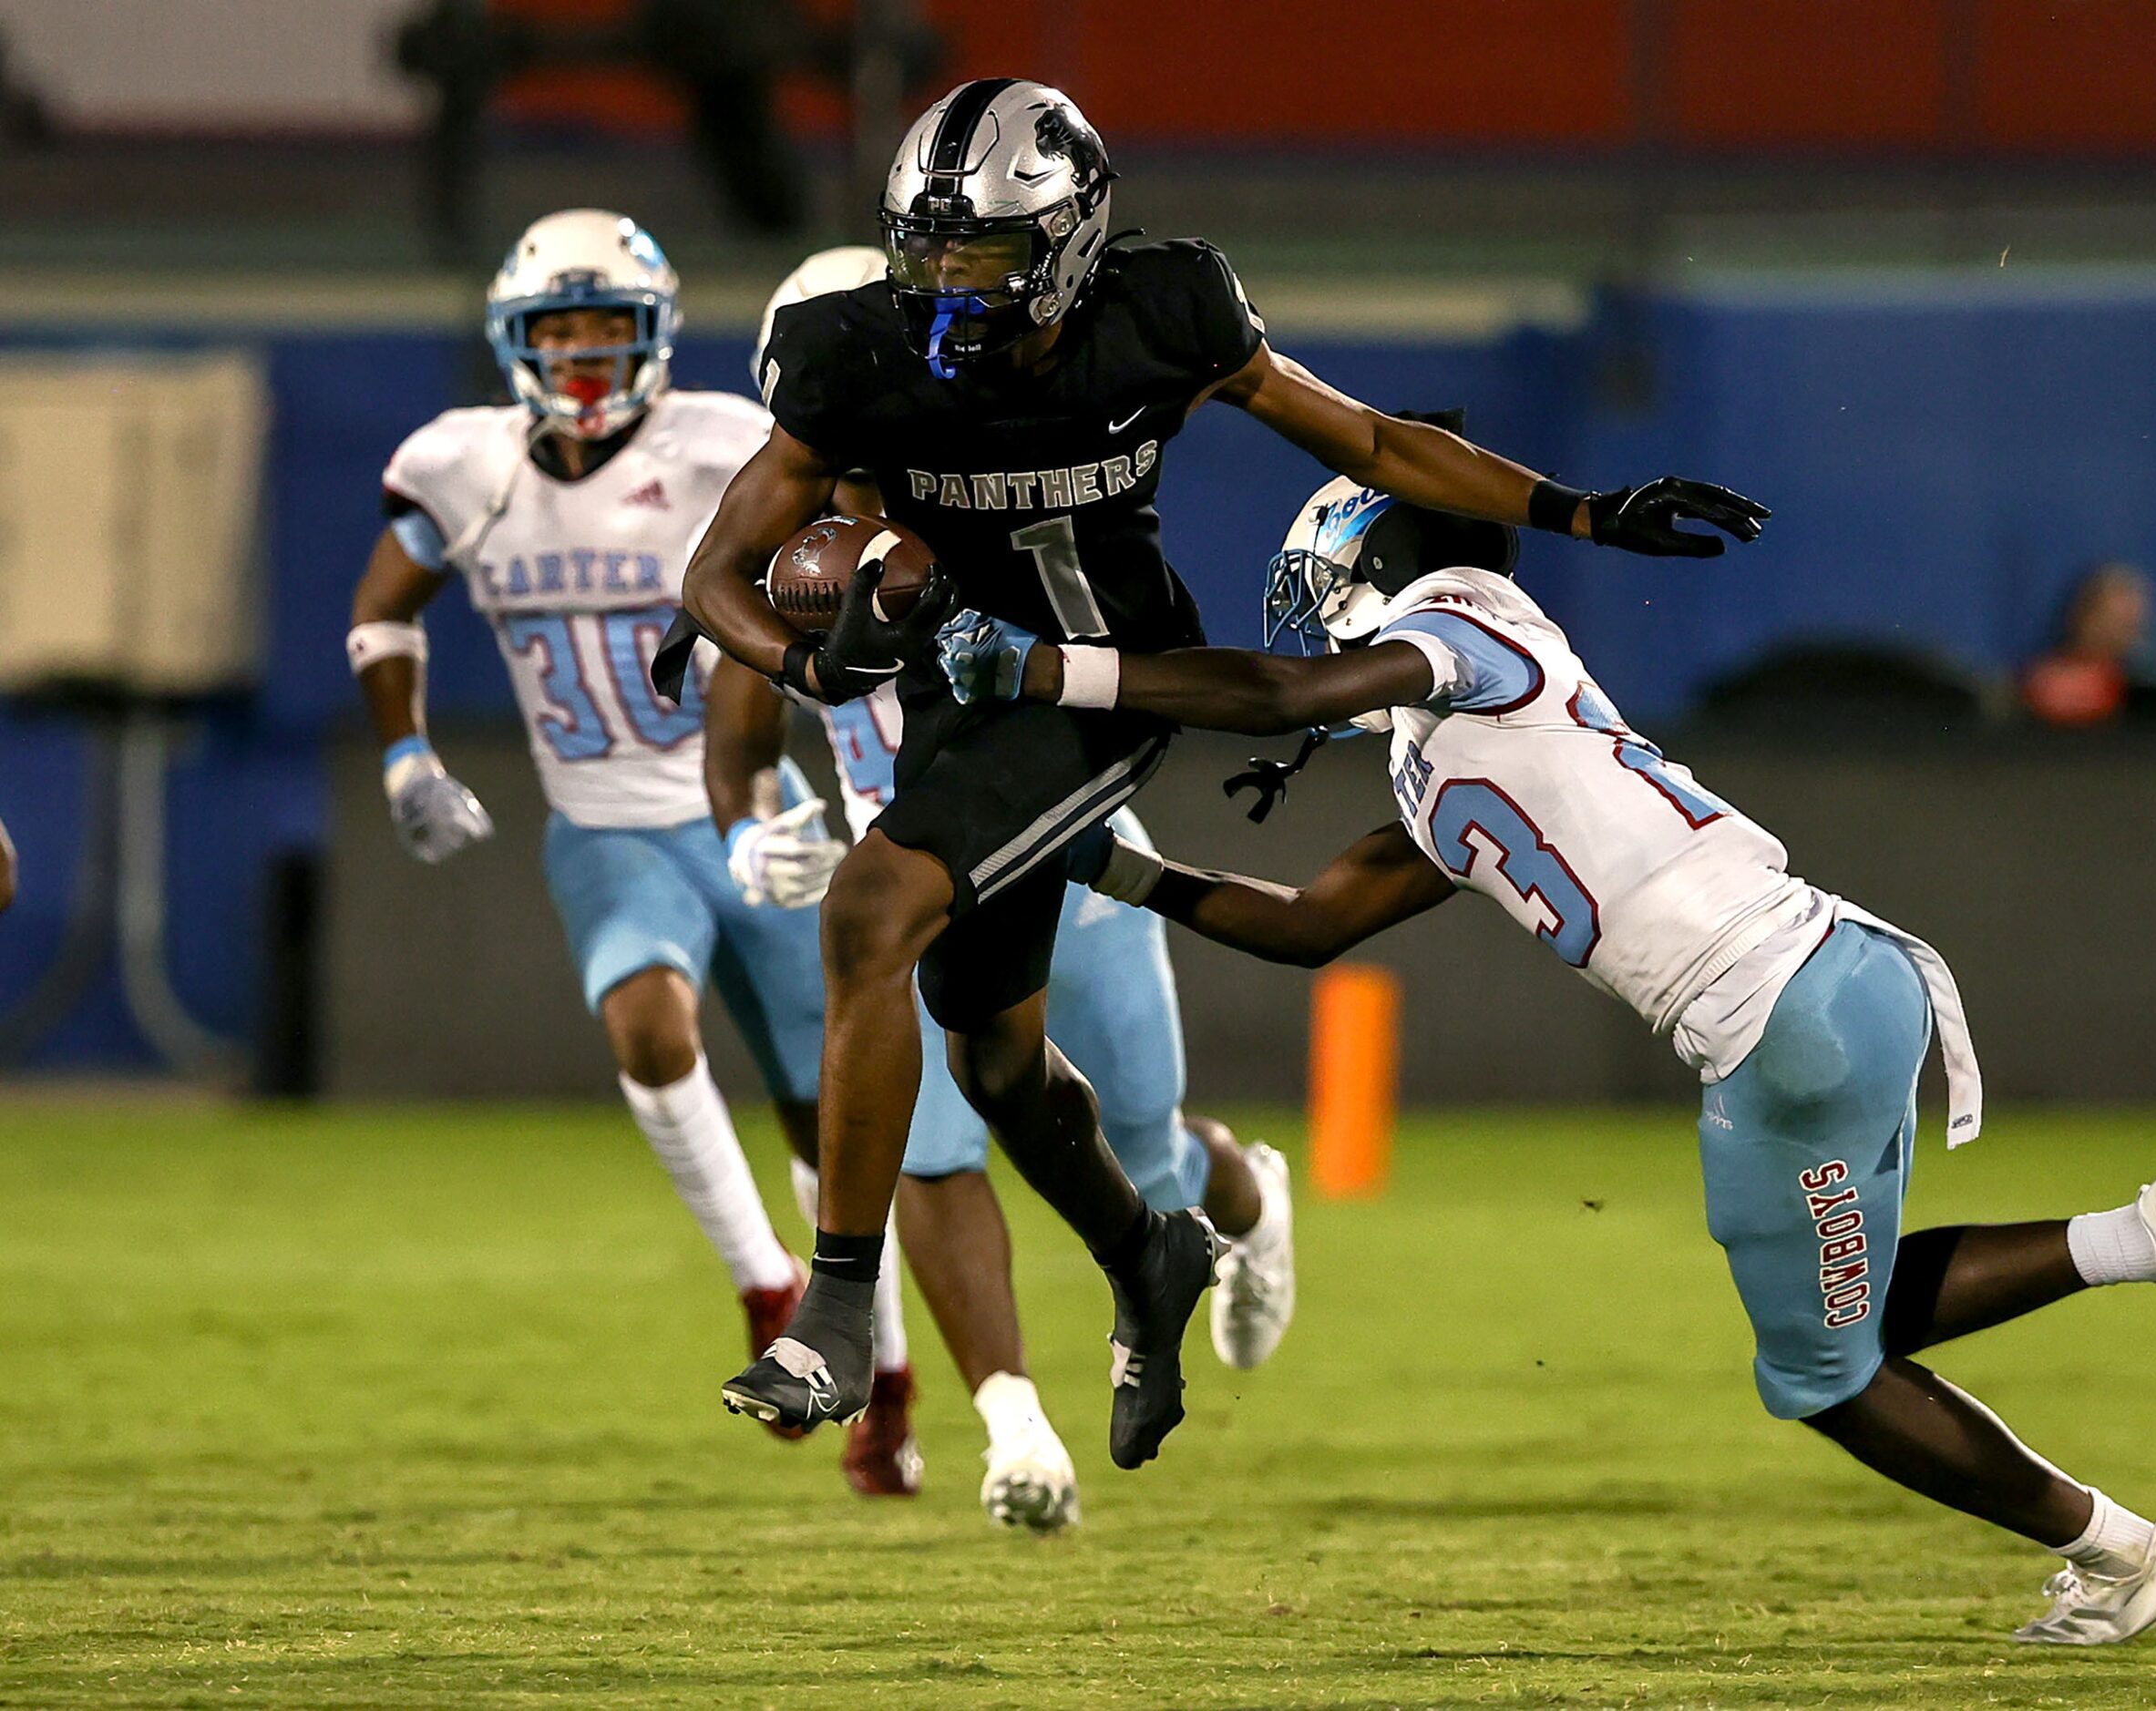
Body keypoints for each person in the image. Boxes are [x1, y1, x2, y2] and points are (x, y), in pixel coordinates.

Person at [936, 470, 2156, 1644]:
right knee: (1850, 1324)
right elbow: (1309, 925)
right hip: (1838, 977)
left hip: (1773, 1021)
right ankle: (2144, 1242)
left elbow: (1283, 689)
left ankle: (2126, 1549)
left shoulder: (1463, 616)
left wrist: (1065, 671)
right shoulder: (1438, 768)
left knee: (1826, 1377)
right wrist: (1111, 866)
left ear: (1363, 576)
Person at [664, 77, 1765, 1467]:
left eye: (987, 253)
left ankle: (832, 1308)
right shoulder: (851, 355)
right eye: (928, 249)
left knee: (869, 907)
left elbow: (1366, 440)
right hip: (962, 697)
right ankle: (1148, 1255)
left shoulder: (1161, 311)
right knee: (994, 1059)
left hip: (1110, 675)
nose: (950, 283)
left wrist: (1580, 511)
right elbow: (712, 572)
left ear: (1069, 239)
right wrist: (804, 662)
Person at [699, 248, 1300, 1531]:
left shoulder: (995, 489)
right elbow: (736, 711)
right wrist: (755, 832)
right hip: (912, 861)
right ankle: (1010, 1419)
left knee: (1143, 1134)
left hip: (1067, 837)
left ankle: (1231, 1209)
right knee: (941, 1131)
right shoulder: (803, 529)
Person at [345, 208, 928, 1493]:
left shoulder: (729, 439)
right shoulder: (464, 464)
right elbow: (384, 610)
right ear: (515, 341)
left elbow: (835, 562)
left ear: (657, 335)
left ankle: (881, 1377)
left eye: (610, 330)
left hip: (750, 811)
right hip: (605, 824)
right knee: (648, 1029)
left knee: (822, 1110)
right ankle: (762, 1281)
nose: (588, 357)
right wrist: (403, 750)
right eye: (563, 332)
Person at [2018, 561, 2152, 728]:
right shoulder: (2042, 682)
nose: (2125, 633)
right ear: (2085, 614)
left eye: (2131, 624)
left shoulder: (2145, 695)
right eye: (2114, 620)